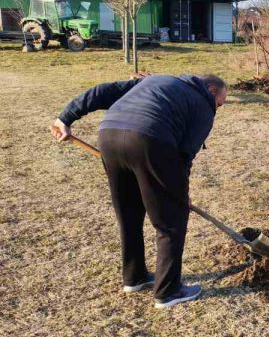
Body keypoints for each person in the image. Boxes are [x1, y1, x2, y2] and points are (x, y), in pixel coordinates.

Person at [51, 73, 227, 308]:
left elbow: (103, 91)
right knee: (170, 221)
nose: (217, 108)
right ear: (212, 90)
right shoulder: (203, 106)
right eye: (220, 103)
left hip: (109, 135)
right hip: (150, 139)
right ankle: (168, 291)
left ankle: (135, 277)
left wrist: (66, 117)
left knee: (129, 211)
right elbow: (185, 154)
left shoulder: (156, 81)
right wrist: (178, 195)